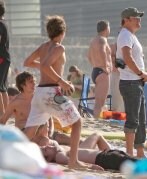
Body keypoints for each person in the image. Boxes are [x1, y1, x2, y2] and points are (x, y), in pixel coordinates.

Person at [23, 15, 83, 169]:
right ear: (63, 32)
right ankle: (73, 161)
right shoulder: (59, 47)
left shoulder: (43, 46)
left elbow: (27, 62)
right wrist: (61, 81)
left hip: (39, 94)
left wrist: (44, 67)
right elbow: (45, 66)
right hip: (51, 93)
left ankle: (13, 156)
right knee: (77, 122)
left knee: (29, 132)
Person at [116, 7, 147, 157]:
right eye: (136, 17)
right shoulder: (125, 35)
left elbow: (123, 58)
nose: (139, 20)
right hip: (131, 82)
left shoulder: (128, 35)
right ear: (127, 20)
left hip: (135, 82)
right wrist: (141, 73)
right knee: (133, 119)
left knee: (141, 120)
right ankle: (129, 153)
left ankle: (140, 152)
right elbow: (127, 57)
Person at [41, 142, 137, 171]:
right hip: (104, 159)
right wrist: (90, 167)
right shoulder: (59, 156)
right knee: (138, 165)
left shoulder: (59, 149)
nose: (48, 146)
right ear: (49, 158)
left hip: (106, 154)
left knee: (136, 162)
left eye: (46, 146)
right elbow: (73, 162)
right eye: (46, 149)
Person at [87, 20, 112, 118]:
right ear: (106, 28)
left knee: (99, 101)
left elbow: (88, 56)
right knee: (100, 102)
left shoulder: (94, 40)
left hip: (96, 70)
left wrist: (96, 65)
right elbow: (102, 52)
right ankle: (96, 119)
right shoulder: (102, 39)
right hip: (102, 72)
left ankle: (96, 119)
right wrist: (105, 67)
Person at [0, 1, 10, 118]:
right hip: (4, 58)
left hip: (1, 58)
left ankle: (2, 115)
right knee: (2, 88)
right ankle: (6, 114)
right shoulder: (4, 24)